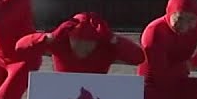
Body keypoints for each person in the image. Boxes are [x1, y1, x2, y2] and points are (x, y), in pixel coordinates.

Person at [15, 12, 145, 73]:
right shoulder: (59, 44)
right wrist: (50, 37)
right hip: (61, 95)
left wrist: (113, 39)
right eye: (77, 41)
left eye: (88, 43)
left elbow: (138, 57)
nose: (82, 47)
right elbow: (20, 48)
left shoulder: (106, 48)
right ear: (69, 37)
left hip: (96, 97)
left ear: (98, 41)